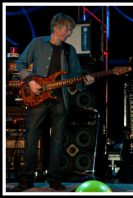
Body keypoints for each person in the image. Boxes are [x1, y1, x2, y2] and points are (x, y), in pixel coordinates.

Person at [13, 13, 95, 191]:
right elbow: (20, 64)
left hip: (59, 100)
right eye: (67, 29)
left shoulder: (69, 50)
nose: (69, 33)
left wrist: (84, 82)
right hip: (37, 98)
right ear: (57, 27)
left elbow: (75, 76)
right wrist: (30, 82)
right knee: (31, 139)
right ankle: (26, 180)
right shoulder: (37, 43)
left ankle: (54, 180)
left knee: (57, 141)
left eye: (70, 30)